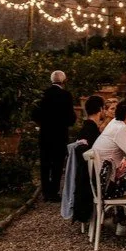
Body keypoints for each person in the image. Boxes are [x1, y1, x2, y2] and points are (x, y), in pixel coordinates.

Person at [31, 70, 77, 202]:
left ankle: (46, 192)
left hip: (45, 133)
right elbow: (71, 117)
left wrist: (43, 123)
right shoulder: (65, 95)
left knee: (45, 164)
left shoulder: (42, 94)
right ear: (63, 81)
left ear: (52, 81)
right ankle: (54, 192)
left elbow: (34, 114)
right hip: (60, 134)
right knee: (57, 164)